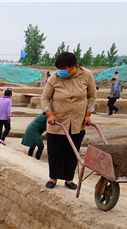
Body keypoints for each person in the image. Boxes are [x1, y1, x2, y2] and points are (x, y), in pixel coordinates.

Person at [40, 51, 96, 190]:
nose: (60, 72)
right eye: (58, 69)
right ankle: (53, 178)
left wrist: (88, 115)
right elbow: (45, 98)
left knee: (72, 151)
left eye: (63, 69)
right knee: (55, 151)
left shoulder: (87, 75)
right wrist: (50, 114)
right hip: (57, 122)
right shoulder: (54, 78)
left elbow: (92, 96)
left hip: (78, 122)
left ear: (73, 66)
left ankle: (69, 179)